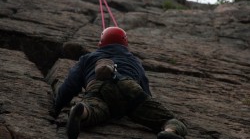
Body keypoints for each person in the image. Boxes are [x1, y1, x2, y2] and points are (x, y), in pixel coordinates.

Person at [51, 27, 188, 139]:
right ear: (125, 44)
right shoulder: (134, 60)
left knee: (94, 110)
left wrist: (56, 108)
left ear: (101, 43)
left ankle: (82, 112)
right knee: (168, 119)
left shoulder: (87, 58)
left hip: (98, 88)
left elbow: (70, 86)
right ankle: (170, 131)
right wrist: (145, 104)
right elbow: (144, 89)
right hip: (128, 87)